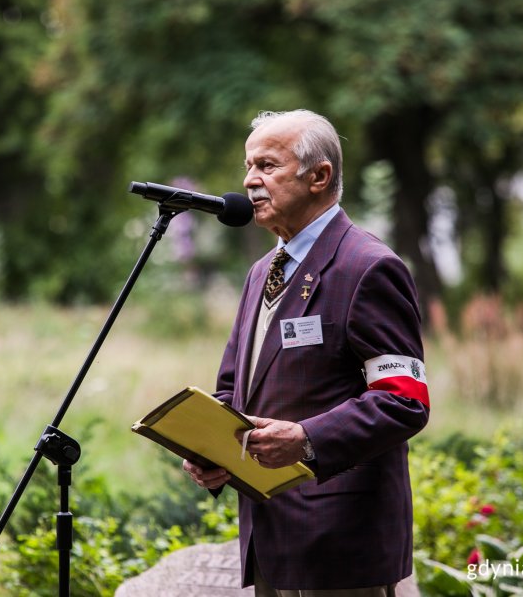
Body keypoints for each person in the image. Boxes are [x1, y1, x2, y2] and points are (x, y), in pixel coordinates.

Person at [183, 110, 430, 596]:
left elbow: (405, 401)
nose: (250, 180)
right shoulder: (261, 271)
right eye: (248, 165)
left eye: (268, 166)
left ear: (319, 176)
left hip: (342, 546)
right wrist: (210, 450)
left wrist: (306, 438)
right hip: (270, 540)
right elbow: (236, 388)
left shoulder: (368, 266)